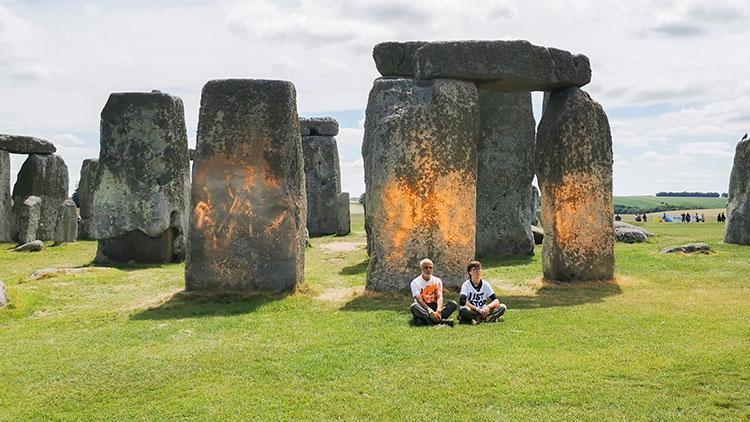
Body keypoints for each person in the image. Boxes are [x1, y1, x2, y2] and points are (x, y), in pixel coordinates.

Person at [410, 258, 457, 327]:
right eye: (426, 268)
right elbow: (419, 300)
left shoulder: (437, 280)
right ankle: (440, 322)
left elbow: (439, 297)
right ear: (421, 268)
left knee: (453, 304)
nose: (428, 270)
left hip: (435, 306)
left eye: (430, 268)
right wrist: (430, 311)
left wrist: (438, 309)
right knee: (414, 306)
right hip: (424, 308)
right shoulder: (415, 282)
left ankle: (429, 320)